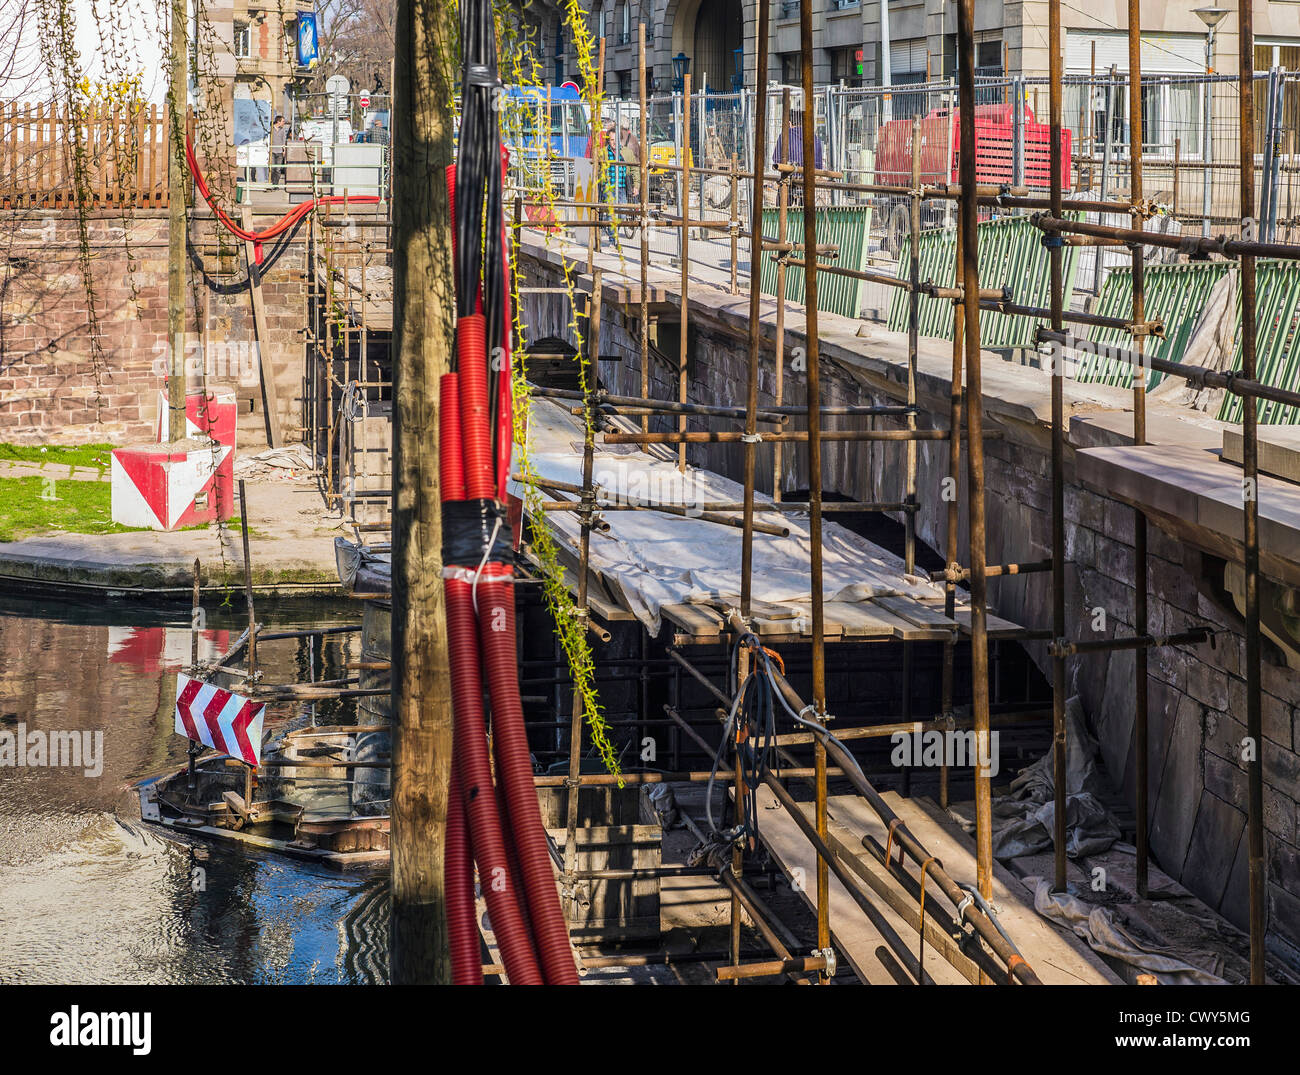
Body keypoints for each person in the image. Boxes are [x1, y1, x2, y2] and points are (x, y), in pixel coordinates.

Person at [270, 114, 287, 186]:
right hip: (272, 151)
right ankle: (272, 183)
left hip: (279, 152)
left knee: (278, 169)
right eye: (283, 121)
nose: (284, 123)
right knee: (273, 169)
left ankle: (275, 184)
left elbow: (283, 140)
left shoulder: (282, 130)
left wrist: (284, 150)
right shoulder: (271, 129)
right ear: (278, 121)